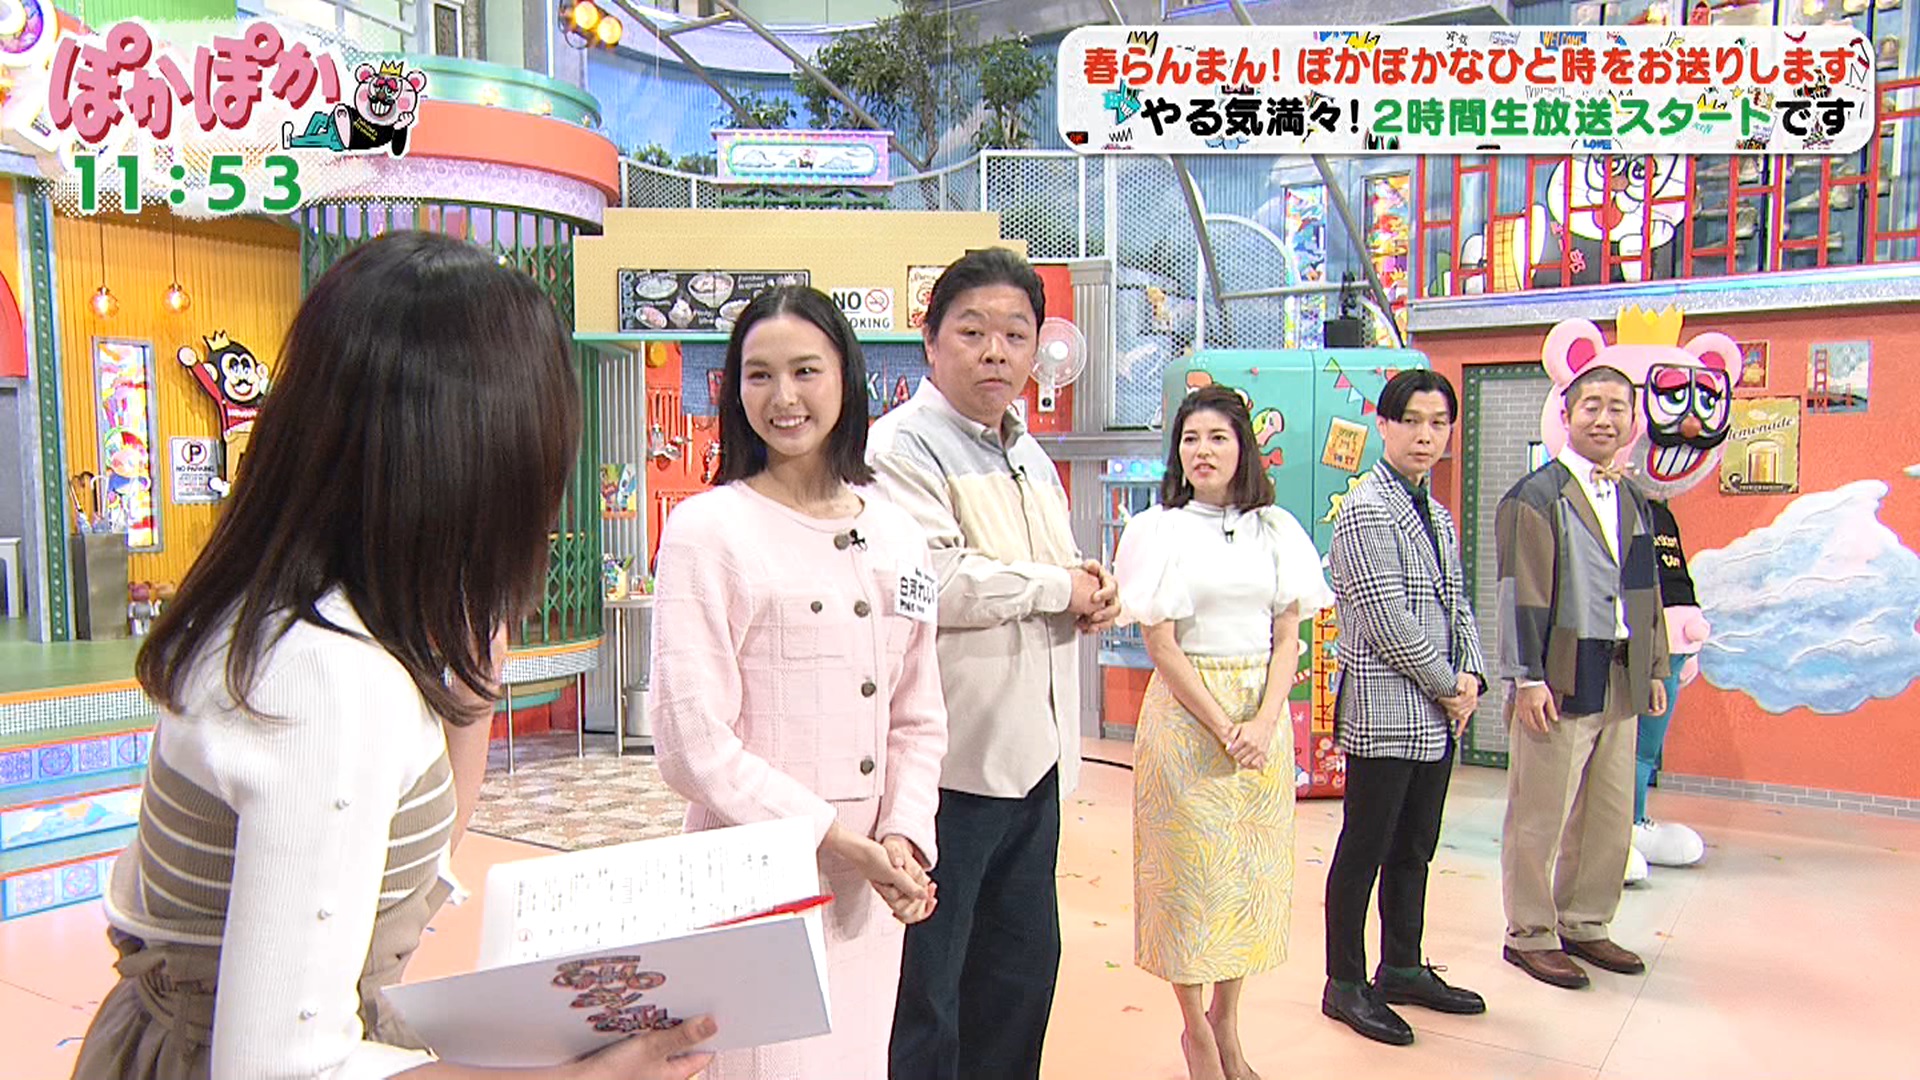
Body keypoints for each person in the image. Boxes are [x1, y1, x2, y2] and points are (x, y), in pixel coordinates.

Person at [70, 230, 716, 1080]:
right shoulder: (323, 676)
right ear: (478, 460)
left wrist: (472, 692)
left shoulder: (306, 619)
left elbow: (391, 866)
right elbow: (284, 1068)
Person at [650, 285, 948, 1080]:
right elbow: (691, 741)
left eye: (806, 371)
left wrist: (902, 837)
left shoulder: (898, 533)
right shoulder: (709, 532)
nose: (783, 397)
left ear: (847, 377)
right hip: (753, 881)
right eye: (759, 375)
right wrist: (833, 837)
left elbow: (918, 712)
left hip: (869, 892)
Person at [868, 247, 1119, 1080]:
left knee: (1020, 975)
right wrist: (1057, 587)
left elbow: (1052, 572)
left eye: (1016, 334)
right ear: (930, 340)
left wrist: (1090, 592)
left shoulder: (1030, 455)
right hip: (950, 770)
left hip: (1035, 762)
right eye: (972, 331)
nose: (995, 352)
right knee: (930, 990)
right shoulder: (899, 449)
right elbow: (933, 581)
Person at [1112, 385, 1332, 1080]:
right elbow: (1161, 643)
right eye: (1190, 439)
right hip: (1186, 718)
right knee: (1187, 877)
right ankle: (1194, 1031)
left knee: (1245, 877)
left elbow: (1289, 635)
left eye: (1217, 437)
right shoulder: (1159, 531)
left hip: (1261, 721)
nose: (1202, 451)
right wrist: (1222, 723)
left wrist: (1262, 723)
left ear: (1244, 448)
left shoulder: (1277, 529)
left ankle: (1226, 1022)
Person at [1322, 370, 1488, 1046]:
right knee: (1365, 847)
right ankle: (1344, 982)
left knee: (1416, 845)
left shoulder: (1436, 513)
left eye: (1438, 422)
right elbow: (1386, 620)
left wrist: (1472, 674)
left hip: (1439, 711)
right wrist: (1448, 684)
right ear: (1384, 426)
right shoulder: (1366, 508)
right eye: (1412, 420)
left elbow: (1458, 603)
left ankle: (1402, 966)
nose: (1426, 435)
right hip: (1388, 709)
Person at [1496, 365, 1670, 990]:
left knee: (1609, 811)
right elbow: (1519, 593)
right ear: (1566, 416)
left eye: (1617, 407)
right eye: (1591, 405)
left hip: (1621, 673)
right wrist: (1527, 678)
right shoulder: (1535, 496)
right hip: (1560, 674)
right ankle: (1530, 933)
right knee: (1540, 813)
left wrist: (1655, 666)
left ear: (1633, 420)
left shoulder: (1635, 499)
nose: (1604, 418)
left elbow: (1646, 590)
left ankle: (1586, 921)